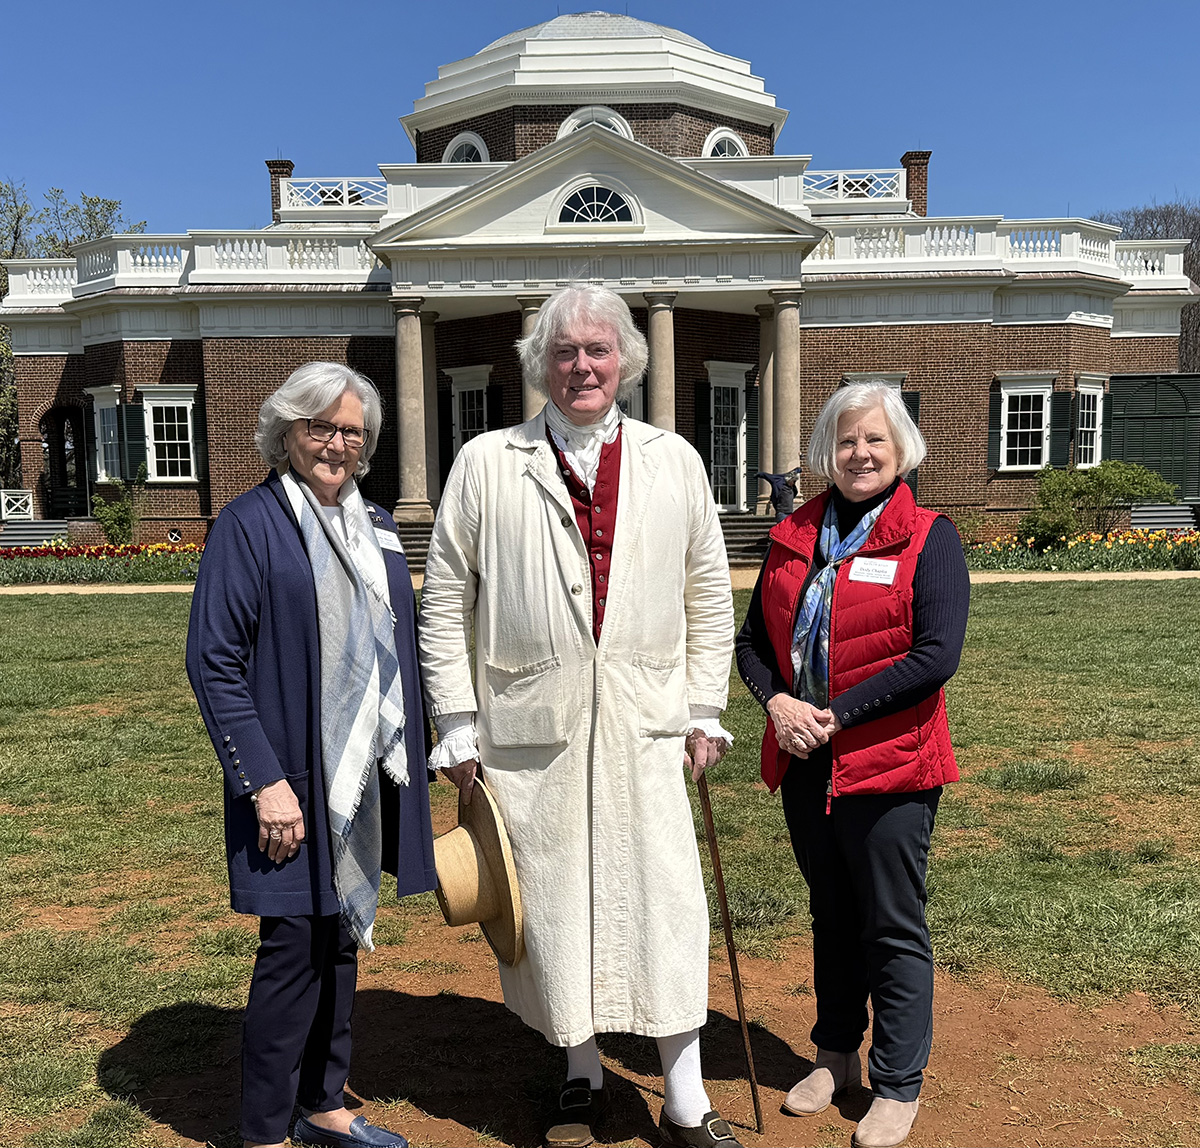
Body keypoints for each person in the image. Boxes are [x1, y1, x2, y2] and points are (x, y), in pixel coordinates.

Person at [418, 286, 741, 1148]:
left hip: (649, 725)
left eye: (599, 350)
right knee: (557, 907)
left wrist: (705, 710)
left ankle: (685, 1098)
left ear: (627, 361)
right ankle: (582, 1072)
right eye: (565, 352)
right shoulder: (488, 461)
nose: (582, 366)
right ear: (542, 364)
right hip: (531, 732)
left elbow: (708, 594)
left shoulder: (675, 460)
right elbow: (447, 597)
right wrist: (454, 719)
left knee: (664, 903)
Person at [186, 362, 436, 1148]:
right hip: (289, 781)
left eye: (352, 431)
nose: (336, 444)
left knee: (339, 939)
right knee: (293, 948)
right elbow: (213, 661)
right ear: (285, 429)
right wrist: (263, 782)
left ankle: (324, 1102)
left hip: (359, 775)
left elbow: (403, 642)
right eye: (319, 427)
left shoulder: (379, 526)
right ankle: (264, 1129)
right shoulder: (249, 525)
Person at [735, 382, 969, 1148]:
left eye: (875, 440)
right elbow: (753, 647)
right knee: (830, 914)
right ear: (824, 453)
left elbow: (936, 656)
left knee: (890, 925)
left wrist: (839, 714)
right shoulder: (793, 534)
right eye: (845, 441)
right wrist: (777, 704)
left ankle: (898, 1085)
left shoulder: (929, 536)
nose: (860, 454)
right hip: (805, 761)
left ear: (901, 449)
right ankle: (834, 1056)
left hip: (890, 765)